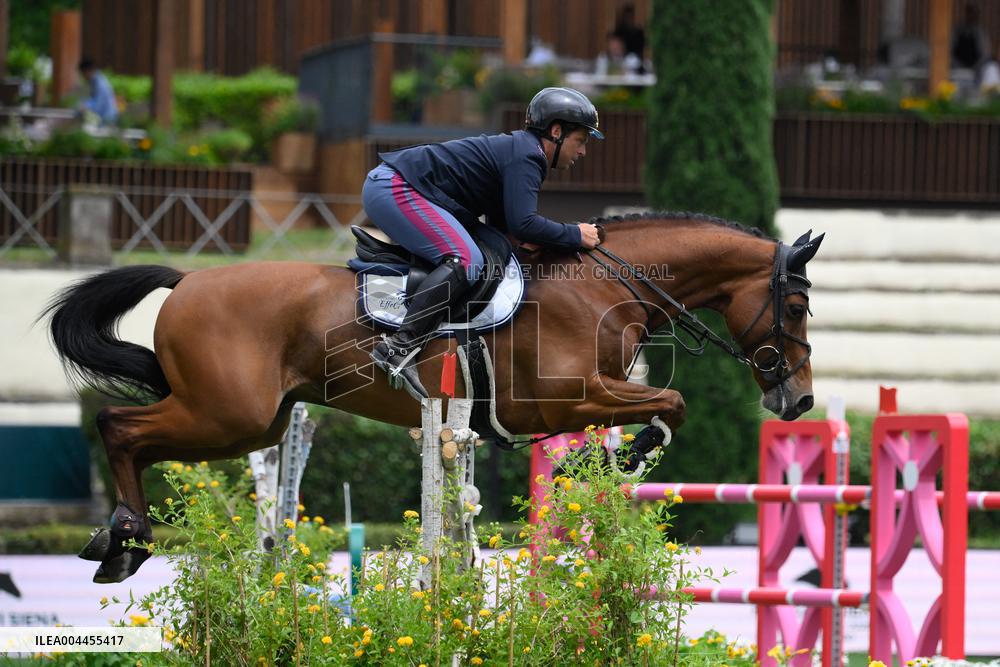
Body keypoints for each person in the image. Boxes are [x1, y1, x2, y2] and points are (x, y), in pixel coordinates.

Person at [362, 87, 603, 399]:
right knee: (466, 260)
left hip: (402, 188)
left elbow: (508, 230)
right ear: (556, 132)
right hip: (395, 187)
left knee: (490, 251)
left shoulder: (522, 152)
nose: (582, 152)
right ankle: (398, 346)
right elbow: (525, 223)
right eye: (580, 141)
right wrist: (575, 234)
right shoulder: (528, 157)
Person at [77, 57, 118, 125]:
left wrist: (85, 107)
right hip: (103, 118)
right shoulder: (95, 81)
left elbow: (98, 106)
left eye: (83, 74)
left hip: (106, 120)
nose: (83, 77)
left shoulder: (100, 84)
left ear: (88, 71)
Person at [952, 4, 991, 70]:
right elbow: (949, 51)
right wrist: (959, 66)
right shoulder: (957, 30)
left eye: (974, 14)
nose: (971, 16)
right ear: (966, 14)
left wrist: (975, 67)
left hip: (976, 70)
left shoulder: (981, 33)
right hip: (956, 69)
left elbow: (986, 55)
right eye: (969, 13)